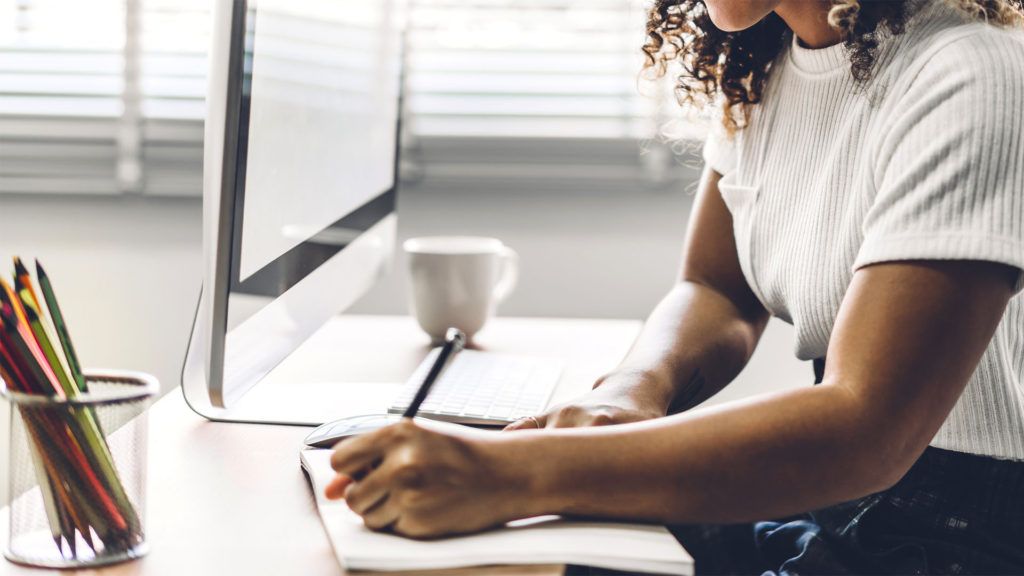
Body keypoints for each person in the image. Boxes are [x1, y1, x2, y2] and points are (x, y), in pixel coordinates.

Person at [326, 0, 1024, 572]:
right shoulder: (770, 58)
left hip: (961, 536)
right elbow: (718, 287)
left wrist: (513, 471)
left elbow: (869, 430)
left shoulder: (971, 72)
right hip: (847, 502)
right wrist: (631, 391)